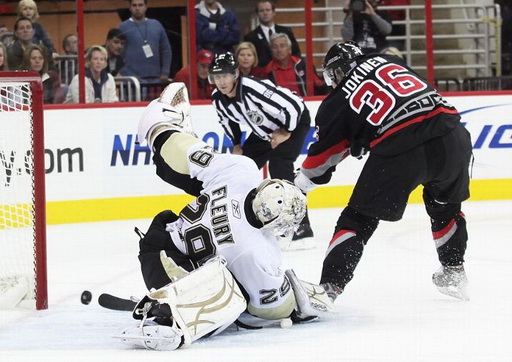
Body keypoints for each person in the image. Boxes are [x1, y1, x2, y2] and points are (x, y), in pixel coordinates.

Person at [119, 83, 333, 350]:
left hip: (158, 242)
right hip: (172, 270)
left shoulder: (243, 170)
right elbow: (271, 310)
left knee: (196, 169)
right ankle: (172, 313)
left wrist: (162, 131)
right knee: (236, 297)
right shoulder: (258, 252)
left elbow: (184, 156)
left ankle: (165, 126)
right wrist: (299, 299)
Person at [294, 42, 473, 303]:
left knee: (357, 219)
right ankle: (454, 271)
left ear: (336, 72)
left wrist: (301, 182)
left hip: (403, 149)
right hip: (453, 134)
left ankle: (329, 289)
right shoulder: (389, 61)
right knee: (445, 205)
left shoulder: (336, 100)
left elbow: (323, 159)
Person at [208, 52, 315, 249]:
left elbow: (292, 106)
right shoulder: (218, 98)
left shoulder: (252, 88)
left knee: (279, 164)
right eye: (216, 77)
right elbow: (227, 121)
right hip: (265, 131)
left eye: (224, 76)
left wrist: (285, 131)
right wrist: (237, 145)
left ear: (235, 75)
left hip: (294, 122)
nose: (221, 81)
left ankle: (301, 228)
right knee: (240, 167)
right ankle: (244, 221)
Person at [118, 0, 172, 85]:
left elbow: (166, 50)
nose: (137, 8)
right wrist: (128, 74)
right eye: (134, 5)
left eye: (140, 5)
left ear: (146, 6)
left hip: (156, 78)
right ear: (130, 7)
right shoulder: (123, 27)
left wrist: (165, 72)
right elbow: (117, 54)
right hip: (133, 81)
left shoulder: (156, 25)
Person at [243, 0, 301, 68]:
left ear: (274, 12)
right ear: (257, 14)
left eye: (268, 10)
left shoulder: (286, 31)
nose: (265, 13)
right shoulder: (250, 37)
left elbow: (296, 52)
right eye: (262, 11)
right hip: (262, 74)